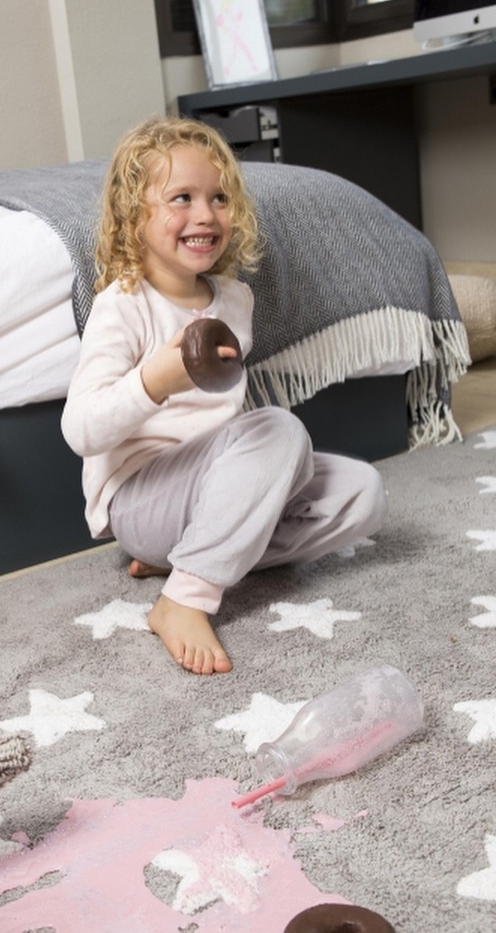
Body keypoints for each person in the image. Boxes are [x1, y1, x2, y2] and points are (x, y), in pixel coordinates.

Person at [61, 116, 387, 676]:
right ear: (134, 216)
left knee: (363, 493)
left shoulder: (235, 300)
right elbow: (81, 430)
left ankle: (194, 556)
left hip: (211, 497)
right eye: (181, 198)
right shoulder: (124, 305)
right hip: (144, 498)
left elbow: (224, 420)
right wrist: (154, 383)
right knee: (281, 429)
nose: (206, 215)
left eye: (219, 198)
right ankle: (184, 598)